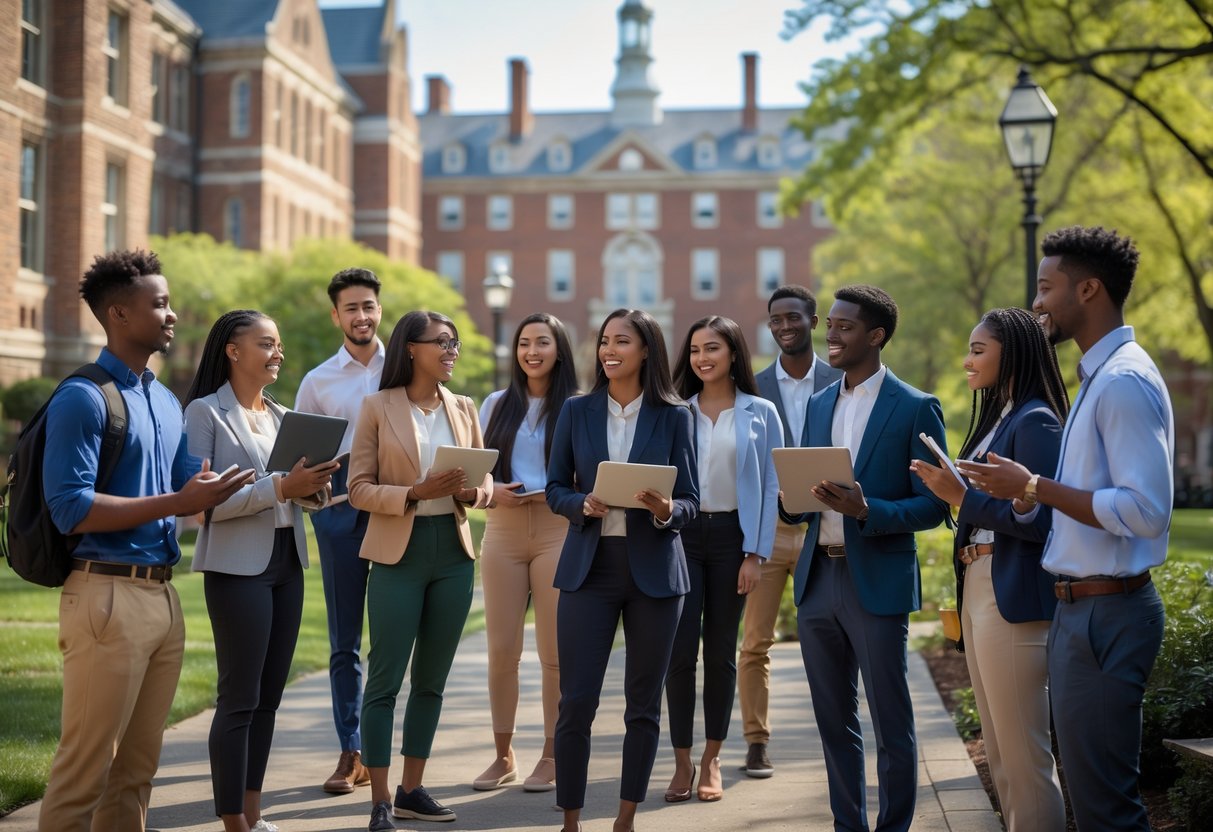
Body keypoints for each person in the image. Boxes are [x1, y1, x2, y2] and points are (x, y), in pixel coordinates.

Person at [958, 226, 1174, 832]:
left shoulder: (1123, 381)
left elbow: (1145, 509)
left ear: (1089, 289)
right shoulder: (1095, 378)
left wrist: (1031, 487)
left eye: (1047, 288)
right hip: (1079, 608)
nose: (1038, 303)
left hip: (1110, 610)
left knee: (1106, 806)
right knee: (1089, 796)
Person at [39, 249, 252, 832]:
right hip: (105, 597)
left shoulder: (162, 398)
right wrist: (180, 503)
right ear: (118, 315)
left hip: (163, 597)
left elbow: (187, 484)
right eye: (158, 304)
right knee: (86, 768)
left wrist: (274, 481)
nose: (172, 314)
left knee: (137, 771)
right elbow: (68, 507)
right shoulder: (83, 397)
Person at [785, 284, 949, 832]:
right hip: (816, 581)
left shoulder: (916, 406)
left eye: (844, 326)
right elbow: (805, 500)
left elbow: (934, 506)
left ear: (875, 336)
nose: (830, 333)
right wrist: (790, 502)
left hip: (876, 580)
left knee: (891, 720)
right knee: (833, 722)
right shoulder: (817, 404)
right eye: (829, 324)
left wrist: (866, 509)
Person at [911, 307, 1068, 832]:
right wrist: (955, 494)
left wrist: (961, 497)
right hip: (978, 581)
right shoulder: (1001, 418)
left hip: (1013, 589)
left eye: (979, 350)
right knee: (999, 749)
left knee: (1024, 755)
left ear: (1014, 352)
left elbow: (1043, 518)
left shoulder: (1037, 420)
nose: (967, 360)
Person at [183, 310, 339, 832]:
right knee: (240, 698)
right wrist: (279, 488)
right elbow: (198, 507)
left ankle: (253, 812)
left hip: (286, 561)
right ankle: (232, 821)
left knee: (270, 696)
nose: (278, 352)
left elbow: (294, 497)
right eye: (267, 343)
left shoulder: (281, 415)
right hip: (235, 568)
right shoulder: (205, 414)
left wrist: (313, 488)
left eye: (280, 344)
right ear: (233, 349)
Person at [546, 308, 698, 832]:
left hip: (655, 575)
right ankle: (571, 821)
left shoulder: (676, 416)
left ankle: (626, 818)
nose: (609, 350)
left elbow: (691, 501)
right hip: (589, 571)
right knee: (577, 703)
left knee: (642, 705)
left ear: (647, 350)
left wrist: (664, 510)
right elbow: (554, 489)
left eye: (622, 341)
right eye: (604, 341)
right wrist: (578, 504)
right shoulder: (576, 411)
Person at [348, 311, 493, 831]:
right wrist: (414, 492)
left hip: (453, 555)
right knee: (385, 679)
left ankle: (412, 789)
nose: (452, 351)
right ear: (411, 347)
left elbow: (488, 483)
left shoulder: (464, 407)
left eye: (454, 343)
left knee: (431, 680)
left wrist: (472, 492)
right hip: (397, 554)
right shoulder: (376, 407)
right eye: (443, 343)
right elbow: (357, 488)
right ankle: (381, 799)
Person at [663, 316, 782, 804]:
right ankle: (682, 760)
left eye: (712, 348)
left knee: (719, 653)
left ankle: (712, 757)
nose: (702, 358)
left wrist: (756, 552)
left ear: (734, 352)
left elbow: (772, 485)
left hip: (735, 536)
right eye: (694, 350)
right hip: (682, 536)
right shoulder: (675, 411)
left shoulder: (761, 412)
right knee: (678, 653)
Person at [473, 313, 578, 793]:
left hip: (557, 530)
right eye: (523, 343)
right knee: (502, 651)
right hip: (503, 530)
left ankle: (552, 755)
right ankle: (502, 754)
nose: (531, 351)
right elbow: (473, 473)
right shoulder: (495, 404)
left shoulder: (578, 407)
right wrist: (491, 491)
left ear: (560, 350)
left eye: (542, 342)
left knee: (554, 653)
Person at [743, 284, 841, 777]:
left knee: (828, 638)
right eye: (775, 319)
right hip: (769, 532)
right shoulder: (754, 388)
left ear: (813, 319)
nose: (784, 326)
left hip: (825, 531)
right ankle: (756, 741)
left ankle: (837, 738)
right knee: (754, 642)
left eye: (793, 317)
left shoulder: (841, 379)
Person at [294, 268, 385, 794]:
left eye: (368, 306)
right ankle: (351, 751)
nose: (361, 316)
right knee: (344, 642)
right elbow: (301, 460)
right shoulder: (317, 381)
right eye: (350, 308)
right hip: (341, 516)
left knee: (391, 640)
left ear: (379, 309)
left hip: (397, 512)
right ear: (336, 316)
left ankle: (382, 749)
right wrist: (317, 504)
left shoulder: (405, 367)